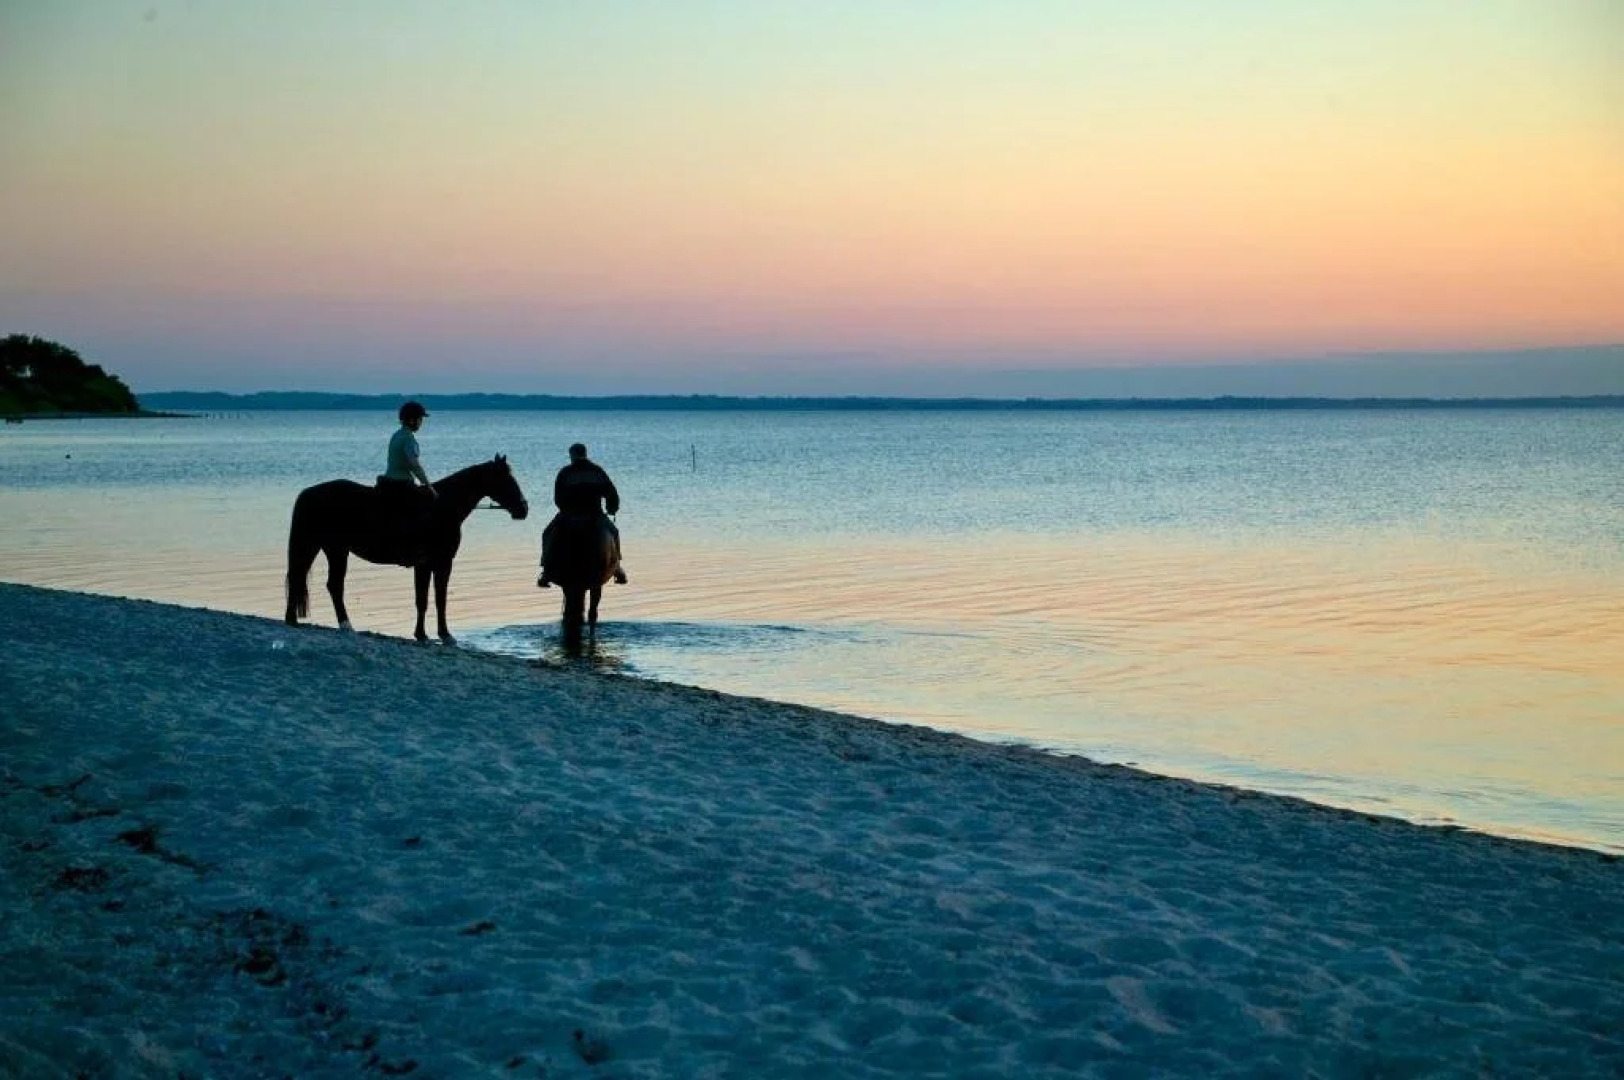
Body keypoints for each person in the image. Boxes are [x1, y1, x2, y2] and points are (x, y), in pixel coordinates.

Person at [537, 442, 628, 587]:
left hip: (568, 516)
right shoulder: (597, 471)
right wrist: (612, 509)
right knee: (614, 532)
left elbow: (558, 498)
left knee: (547, 533)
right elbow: (611, 493)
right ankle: (617, 568)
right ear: (585, 454)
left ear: (572, 455)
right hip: (594, 515)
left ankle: (546, 570)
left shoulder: (565, 472)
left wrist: (567, 509)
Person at [377, 401, 437, 517]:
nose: (421, 423)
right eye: (420, 419)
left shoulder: (396, 435)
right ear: (411, 420)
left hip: (388, 481)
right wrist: (428, 486)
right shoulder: (408, 438)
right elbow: (414, 465)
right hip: (402, 484)